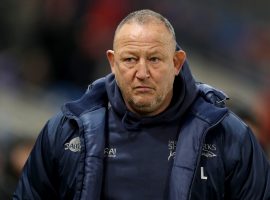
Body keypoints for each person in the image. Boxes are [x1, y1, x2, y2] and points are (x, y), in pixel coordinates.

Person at [13, 9, 270, 200]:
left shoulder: (229, 138)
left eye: (155, 59)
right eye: (130, 59)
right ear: (113, 63)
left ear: (177, 62)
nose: (142, 72)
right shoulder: (66, 130)